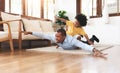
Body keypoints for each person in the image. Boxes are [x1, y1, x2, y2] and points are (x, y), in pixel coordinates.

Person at [23, 28, 106, 57]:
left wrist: (95, 50)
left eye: (58, 37)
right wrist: (31, 32)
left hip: (74, 44)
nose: (56, 38)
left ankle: (90, 38)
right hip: (67, 46)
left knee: (84, 43)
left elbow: (83, 46)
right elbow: (43, 35)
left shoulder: (71, 40)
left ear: (64, 37)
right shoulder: (54, 37)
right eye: (56, 36)